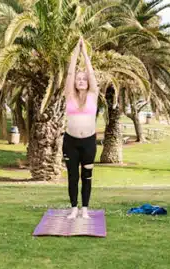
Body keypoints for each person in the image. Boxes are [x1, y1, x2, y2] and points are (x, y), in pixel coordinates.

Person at [63, 37, 99, 219]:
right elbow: (70, 75)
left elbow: (91, 74)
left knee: (87, 175)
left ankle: (85, 208)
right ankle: (73, 208)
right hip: (70, 141)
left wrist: (85, 53)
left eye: (84, 79)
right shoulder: (69, 95)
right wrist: (75, 53)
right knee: (72, 176)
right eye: (79, 79)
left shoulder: (93, 95)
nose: (82, 80)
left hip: (89, 142)